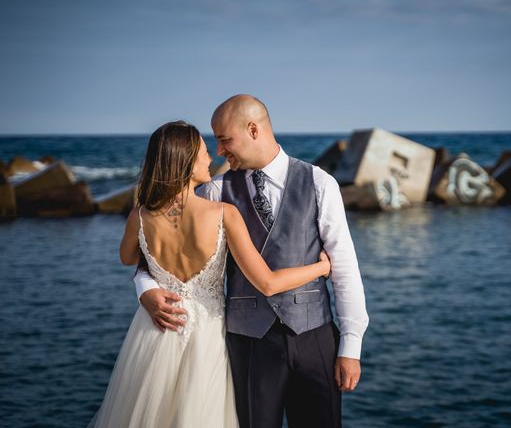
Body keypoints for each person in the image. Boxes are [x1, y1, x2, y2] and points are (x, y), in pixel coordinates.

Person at [135, 95, 369, 428]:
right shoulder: (214, 192)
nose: (219, 151)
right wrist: (144, 288)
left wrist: (351, 345)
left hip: (315, 337)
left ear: (253, 130)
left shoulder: (320, 183)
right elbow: (160, 251)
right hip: (248, 343)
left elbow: (345, 268)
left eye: (224, 139)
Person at [90, 121, 331, 428]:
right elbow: (268, 283)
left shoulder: (140, 216)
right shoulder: (223, 214)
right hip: (206, 336)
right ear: (188, 162)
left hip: (153, 334)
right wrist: (321, 267)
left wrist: (148, 281)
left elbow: (128, 258)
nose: (210, 159)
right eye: (204, 153)